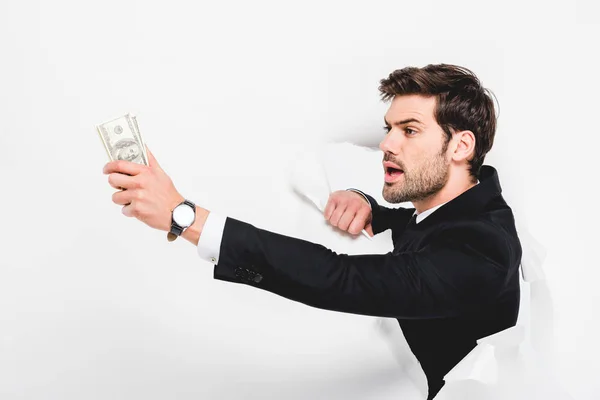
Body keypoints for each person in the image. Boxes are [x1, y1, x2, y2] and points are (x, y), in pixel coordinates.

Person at [102, 63, 522, 400]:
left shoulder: (482, 249)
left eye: (409, 130)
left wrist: (185, 216)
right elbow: (414, 226)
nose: (387, 145)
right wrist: (363, 199)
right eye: (388, 129)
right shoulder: (458, 205)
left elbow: (341, 279)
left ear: (461, 146)